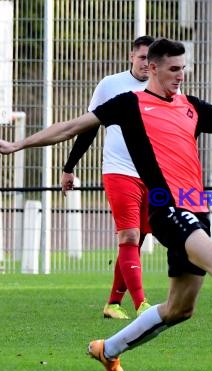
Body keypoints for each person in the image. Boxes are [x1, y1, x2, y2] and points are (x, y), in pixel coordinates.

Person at [0, 38, 212, 371]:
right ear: (153, 69)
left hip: (195, 209)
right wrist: (18, 144)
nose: (181, 75)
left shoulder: (192, 106)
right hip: (166, 207)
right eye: (174, 69)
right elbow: (71, 127)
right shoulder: (129, 104)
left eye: (184, 68)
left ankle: (107, 350)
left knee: (179, 309)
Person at [61, 35, 155, 320]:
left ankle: (113, 303)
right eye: (141, 58)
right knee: (128, 234)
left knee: (136, 241)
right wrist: (69, 166)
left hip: (152, 175)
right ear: (131, 56)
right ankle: (142, 305)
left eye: (151, 61)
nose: (146, 65)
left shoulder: (162, 86)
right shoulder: (110, 85)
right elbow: (88, 128)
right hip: (119, 171)